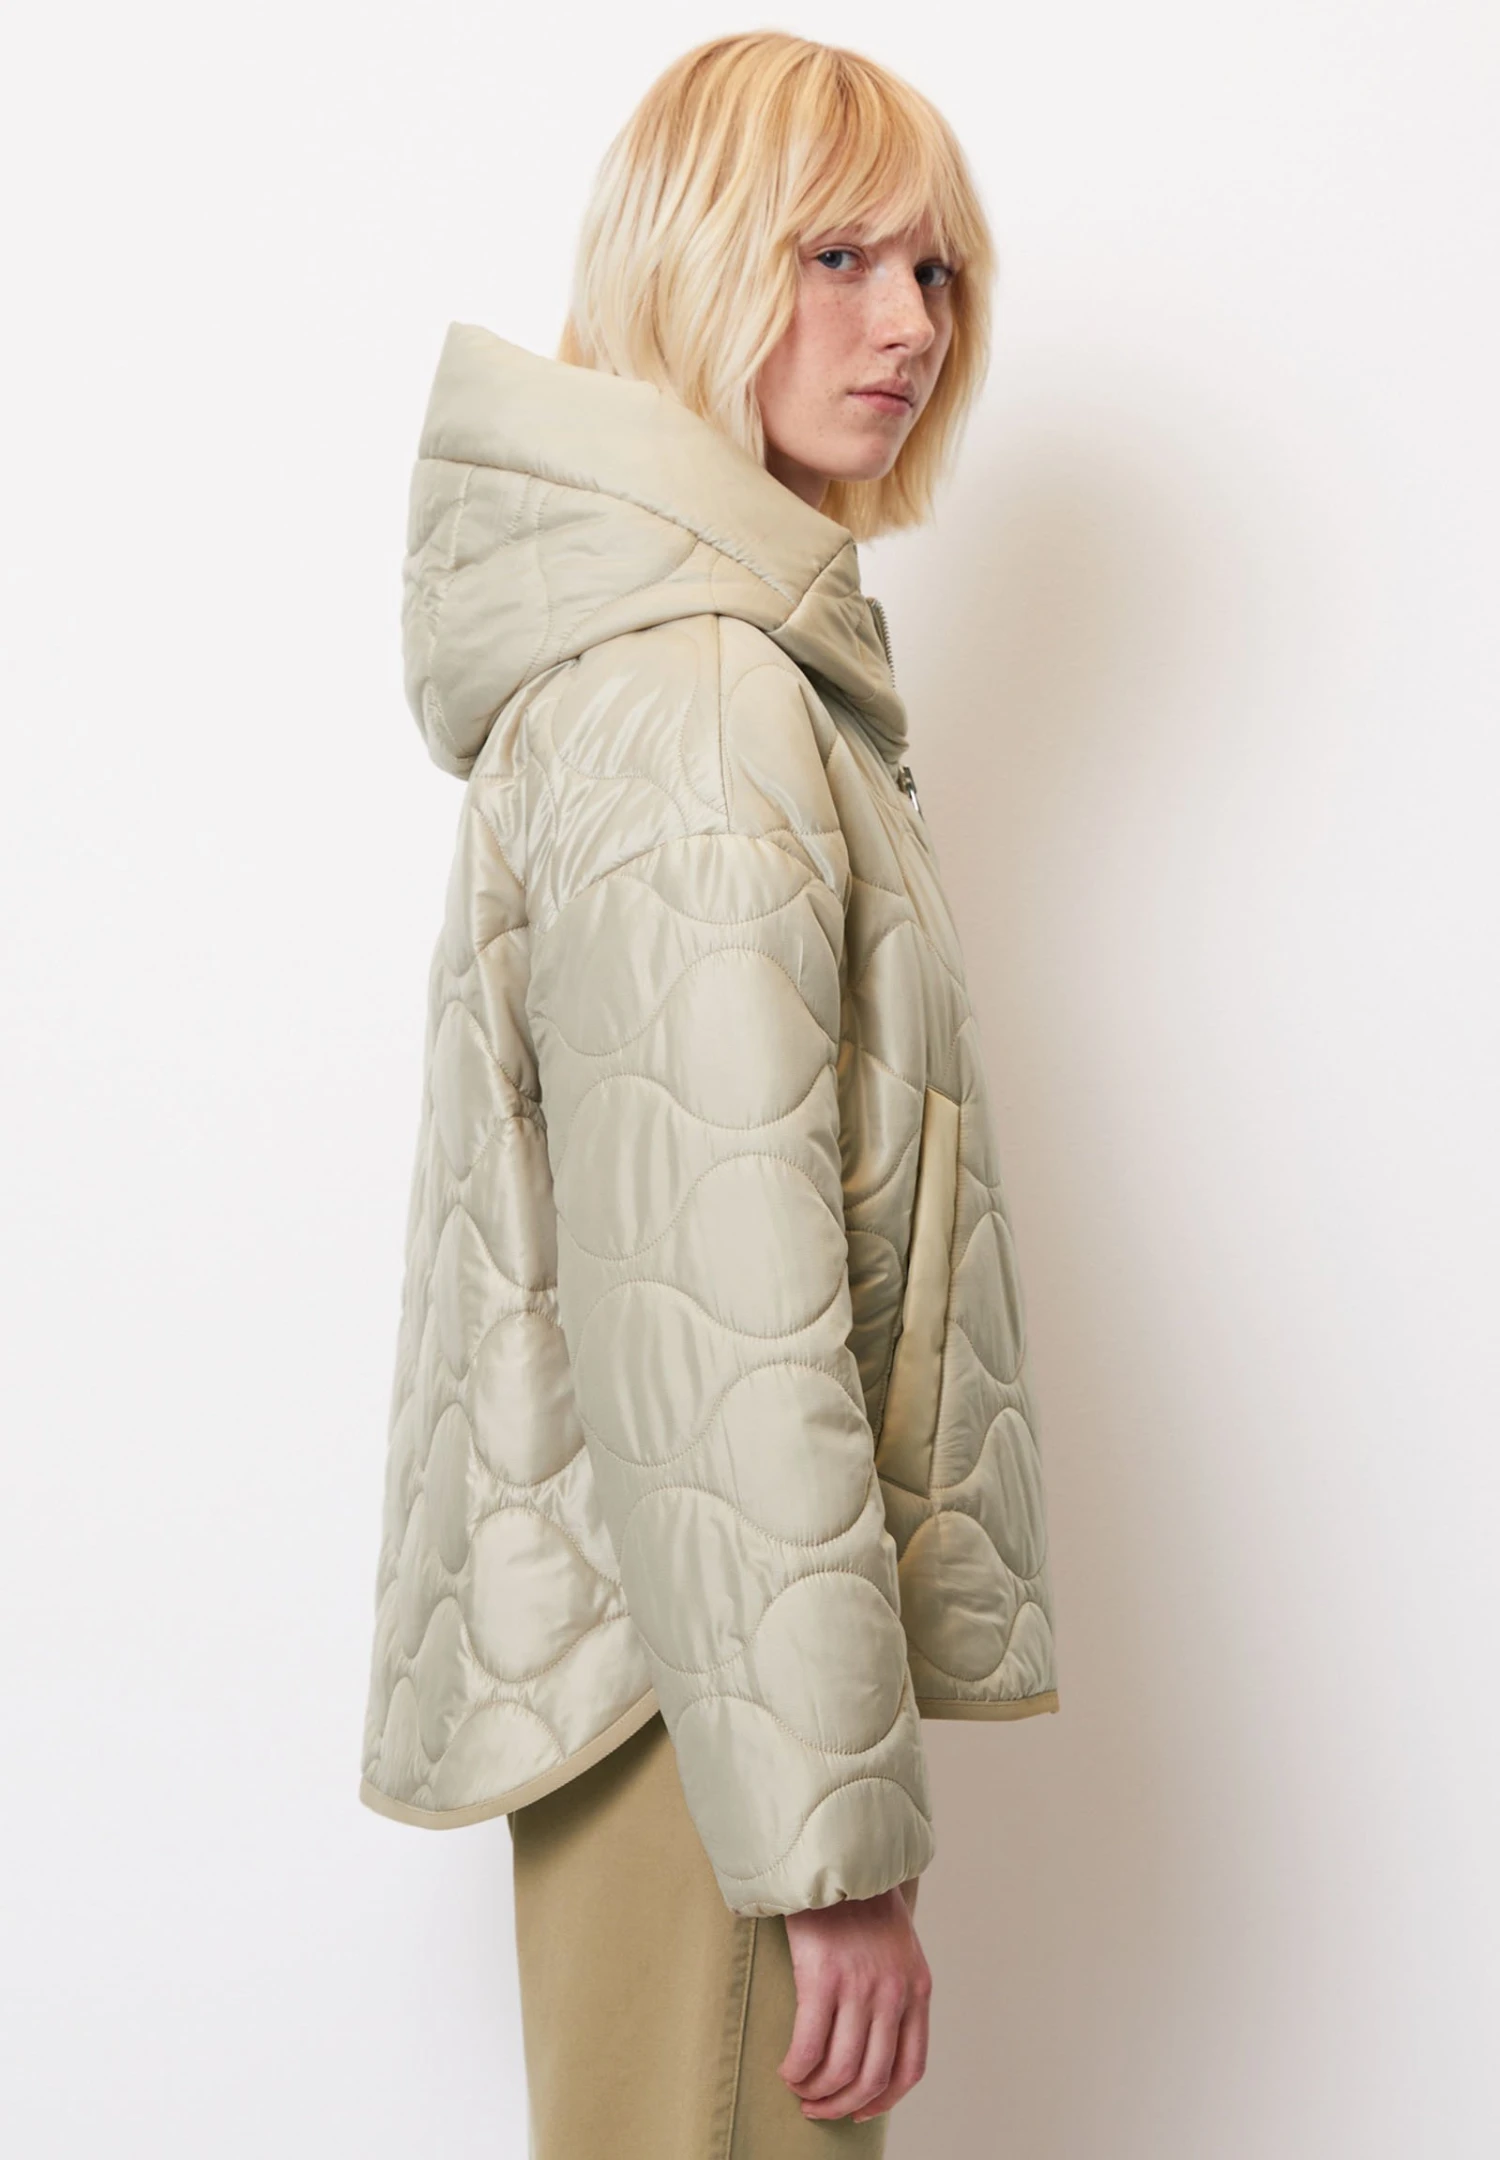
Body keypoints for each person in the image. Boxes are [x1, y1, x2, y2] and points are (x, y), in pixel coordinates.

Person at [358, 30, 1061, 2157]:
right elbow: (717, 1306)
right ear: (690, 258)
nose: (906, 323)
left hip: (688, 1682)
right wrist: (824, 1849)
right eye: (834, 255)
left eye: (934, 269)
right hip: (706, 1708)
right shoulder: (701, 702)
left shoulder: (701, 666)